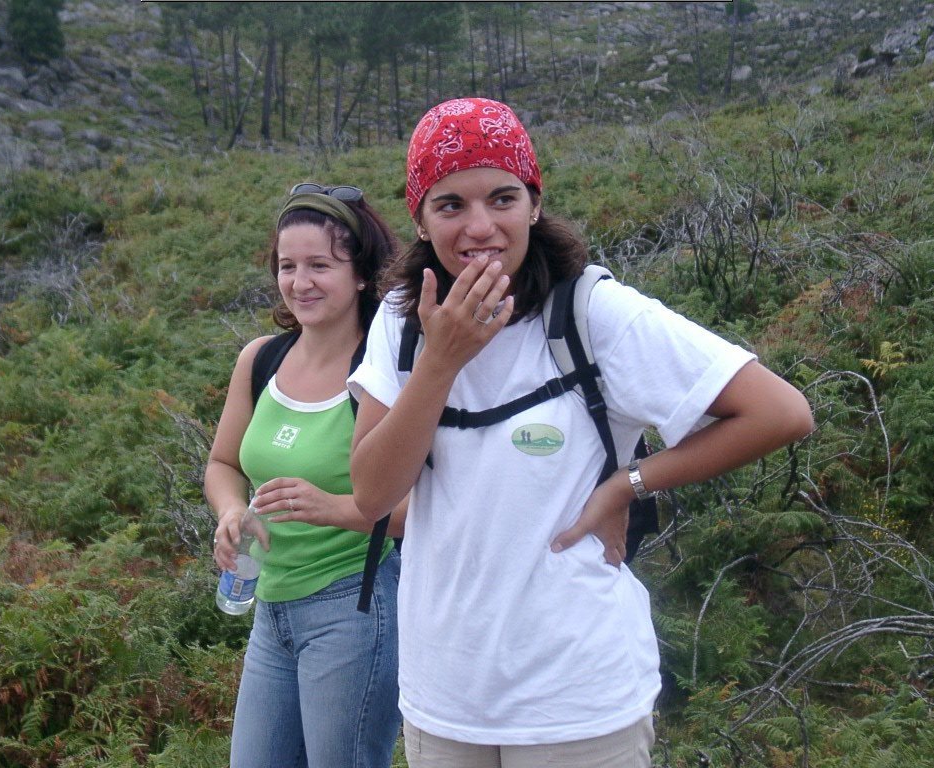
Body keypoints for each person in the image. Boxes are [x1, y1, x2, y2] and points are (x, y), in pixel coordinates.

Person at [348, 98, 814, 767]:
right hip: (444, 696)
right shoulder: (403, 321)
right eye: (450, 205)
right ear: (419, 219)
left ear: (535, 204)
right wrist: (441, 361)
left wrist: (628, 483)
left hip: (577, 699)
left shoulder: (594, 312)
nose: (480, 226)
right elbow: (372, 494)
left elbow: (781, 412)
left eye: (503, 198)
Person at [205, 183, 405, 768]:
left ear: (361, 274)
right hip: (270, 607)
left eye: (320, 265)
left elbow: (426, 508)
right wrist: (231, 510)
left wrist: (333, 507)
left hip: (354, 608)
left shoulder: (381, 373)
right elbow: (222, 464)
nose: (300, 282)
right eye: (288, 266)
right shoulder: (261, 359)